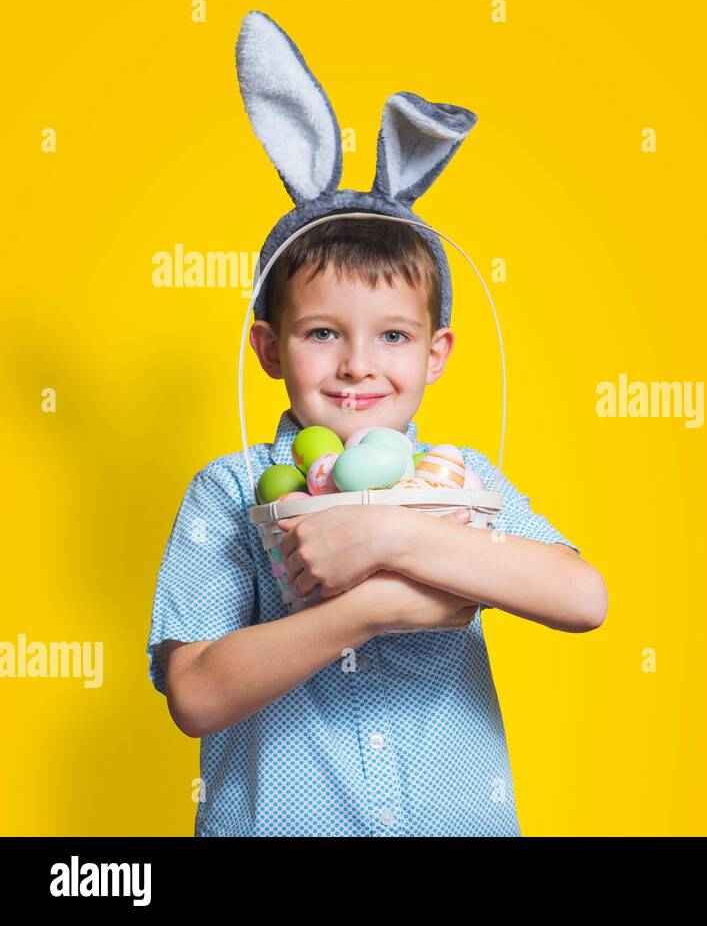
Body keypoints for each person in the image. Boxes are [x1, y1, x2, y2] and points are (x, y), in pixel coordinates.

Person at [146, 215, 608, 835]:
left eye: (393, 334)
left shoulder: (455, 479)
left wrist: (396, 536)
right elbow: (195, 695)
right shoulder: (230, 489)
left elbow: (583, 597)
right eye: (322, 333)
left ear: (435, 354)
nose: (357, 365)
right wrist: (372, 611)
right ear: (270, 348)